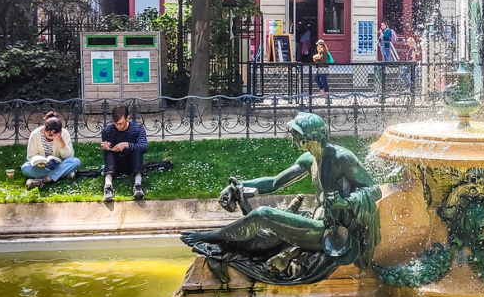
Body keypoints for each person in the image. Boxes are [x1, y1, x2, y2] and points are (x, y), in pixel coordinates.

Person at [181, 112, 381, 285]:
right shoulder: (309, 159)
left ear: (309, 138)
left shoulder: (341, 158)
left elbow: (374, 190)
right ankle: (221, 240)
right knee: (265, 231)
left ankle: (211, 236)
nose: (292, 139)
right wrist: (239, 186)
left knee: (262, 214)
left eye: (296, 135)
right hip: (315, 221)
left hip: (329, 231)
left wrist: (345, 203)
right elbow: (273, 183)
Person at [100, 104, 149, 202]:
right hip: (115, 165)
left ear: (128, 118)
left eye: (121, 123)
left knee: (136, 149)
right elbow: (107, 148)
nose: (118, 126)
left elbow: (144, 147)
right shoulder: (107, 131)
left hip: (133, 162)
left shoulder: (137, 129)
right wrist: (105, 147)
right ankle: (108, 187)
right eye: (116, 123)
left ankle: (138, 185)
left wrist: (127, 145)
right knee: (109, 153)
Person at [21, 111, 81, 189]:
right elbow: (30, 156)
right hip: (42, 167)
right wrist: (39, 161)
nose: (51, 137)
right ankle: (61, 175)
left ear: (60, 132)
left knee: (75, 162)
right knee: (25, 168)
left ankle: (45, 179)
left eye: (54, 135)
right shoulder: (35, 134)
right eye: (49, 135)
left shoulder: (64, 134)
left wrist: (62, 144)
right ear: (44, 130)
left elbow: (69, 156)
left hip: (59, 164)